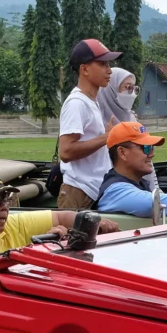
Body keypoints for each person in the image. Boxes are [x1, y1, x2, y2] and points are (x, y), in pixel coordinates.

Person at [0, 165, 117, 255]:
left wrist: (95, 225)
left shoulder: (9, 226)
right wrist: (36, 251)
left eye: (4, 198)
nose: (3, 207)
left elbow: (60, 217)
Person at [57, 39, 119, 209]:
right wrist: (105, 138)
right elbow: (66, 151)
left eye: (109, 64)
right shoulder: (77, 103)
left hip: (92, 190)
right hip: (77, 192)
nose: (109, 71)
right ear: (84, 69)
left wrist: (104, 137)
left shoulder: (91, 101)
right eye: (102, 64)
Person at [96, 121, 167, 218]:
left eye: (152, 147)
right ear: (122, 153)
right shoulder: (116, 192)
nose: (152, 154)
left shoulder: (138, 184)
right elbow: (152, 204)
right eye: (146, 148)